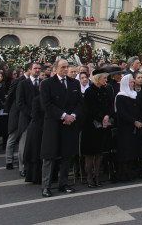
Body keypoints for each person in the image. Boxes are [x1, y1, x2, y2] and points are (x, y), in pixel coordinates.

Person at [40, 59, 84, 197]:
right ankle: (46, 186)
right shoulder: (47, 84)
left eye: (67, 67)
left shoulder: (74, 83)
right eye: (62, 67)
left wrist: (73, 116)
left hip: (70, 124)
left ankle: (63, 183)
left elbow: (79, 103)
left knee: (67, 155)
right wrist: (63, 115)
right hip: (54, 124)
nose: (65, 70)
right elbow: (46, 104)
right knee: (50, 156)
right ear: (56, 68)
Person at [82, 67, 115, 188]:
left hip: (103, 124)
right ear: (97, 79)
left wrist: (107, 116)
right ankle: (89, 176)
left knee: (99, 152)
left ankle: (97, 175)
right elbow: (91, 108)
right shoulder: (89, 91)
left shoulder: (105, 90)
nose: (106, 80)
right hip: (92, 125)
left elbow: (110, 105)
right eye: (104, 78)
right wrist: (102, 117)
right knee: (90, 153)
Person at [115, 74, 142, 182]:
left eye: (133, 82)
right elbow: (122, 113)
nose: (132, 84)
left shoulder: (135, 94)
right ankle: (123, 174)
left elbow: (139, 108)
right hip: (125, 127)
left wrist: (139, 119)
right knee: (125, 150)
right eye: (130, 82)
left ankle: (132, 172)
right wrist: (134, 121)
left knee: (133, 150)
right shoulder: (121, 96)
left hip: (136, 126)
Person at [16, 63, 42, 179]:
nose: (37, 70)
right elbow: (20, 103)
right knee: (24, 144)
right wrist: (31, 113)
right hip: (27, 118)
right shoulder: (23, 84)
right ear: (29, 70)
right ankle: (23, 167)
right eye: (35, 68)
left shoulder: (42, 82)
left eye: (38, 69)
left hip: (40, 120)